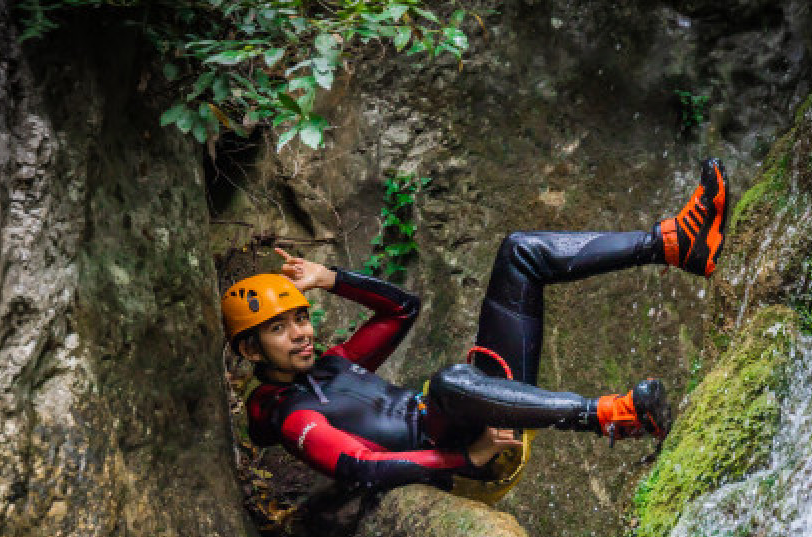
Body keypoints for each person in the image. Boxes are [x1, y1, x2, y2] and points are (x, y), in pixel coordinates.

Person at [222, 159, 728, 494]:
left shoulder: (335, 364)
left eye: (301, 318)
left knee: (520, 252)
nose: (302, 333)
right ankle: (615, 416)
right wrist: (469, 457)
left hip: (474, 410)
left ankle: (674, 244)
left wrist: (330, 278)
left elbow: (402, 310)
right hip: (465, 458)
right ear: (250, 349)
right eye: (280, 329)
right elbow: (360, 467)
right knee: (448, 383)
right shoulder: (293, 417)